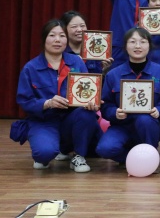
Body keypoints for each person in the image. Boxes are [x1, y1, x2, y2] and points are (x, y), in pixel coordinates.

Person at [16, 19, 100, 172]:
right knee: (44, 154)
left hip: (70, 119)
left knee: (87, 114)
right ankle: (45, 149)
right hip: (43, 121)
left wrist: (91, 102)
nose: (57, 40)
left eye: (62, 36)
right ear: (44, 39)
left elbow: (88, 91)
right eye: (52, 35)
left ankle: (78, 156)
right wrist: (47, 103)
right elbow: (24, 101)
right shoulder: (31, 68)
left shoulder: (77, 62)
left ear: (66, 40)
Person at [96, 28, 160, 170]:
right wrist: (115, 113)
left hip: (149, 125)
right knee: (104, 149)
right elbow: (105, 105)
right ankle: (132, 159)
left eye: (143, 42)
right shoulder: (113, 74)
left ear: (149, 45)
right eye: (132, 42)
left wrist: (159, 110)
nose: (137, 46)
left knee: (144, 120)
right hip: (122, 126)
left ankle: (150, 160)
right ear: (125, 46)